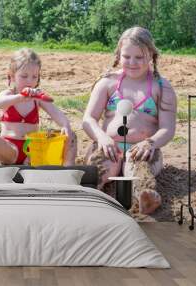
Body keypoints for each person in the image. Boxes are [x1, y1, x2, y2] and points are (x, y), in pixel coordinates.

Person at [82, 27, 177, 214]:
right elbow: (88, 119)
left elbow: (168, 129)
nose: (132, 63)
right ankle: (89, 193)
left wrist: (150, 143)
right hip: (109, 146)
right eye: (126, 56)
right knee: (100, 168)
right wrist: (102, 138)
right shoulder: (108, 82)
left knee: (139, 170)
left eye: (139, 57)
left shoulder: (161, 86)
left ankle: (145, 195)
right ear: (118, 55)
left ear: (151, 55)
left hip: (142, 150)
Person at [0, 48, 77, 166]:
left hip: (33, 151)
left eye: (34, 77)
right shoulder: (9, 94)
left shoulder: (37, 97)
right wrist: (19, 97)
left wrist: (65, 125)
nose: (29, 81)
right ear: (13, 76)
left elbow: (56, 112)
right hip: (10, 149)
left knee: (71, 135)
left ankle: (67, 173)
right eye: (24, 76)